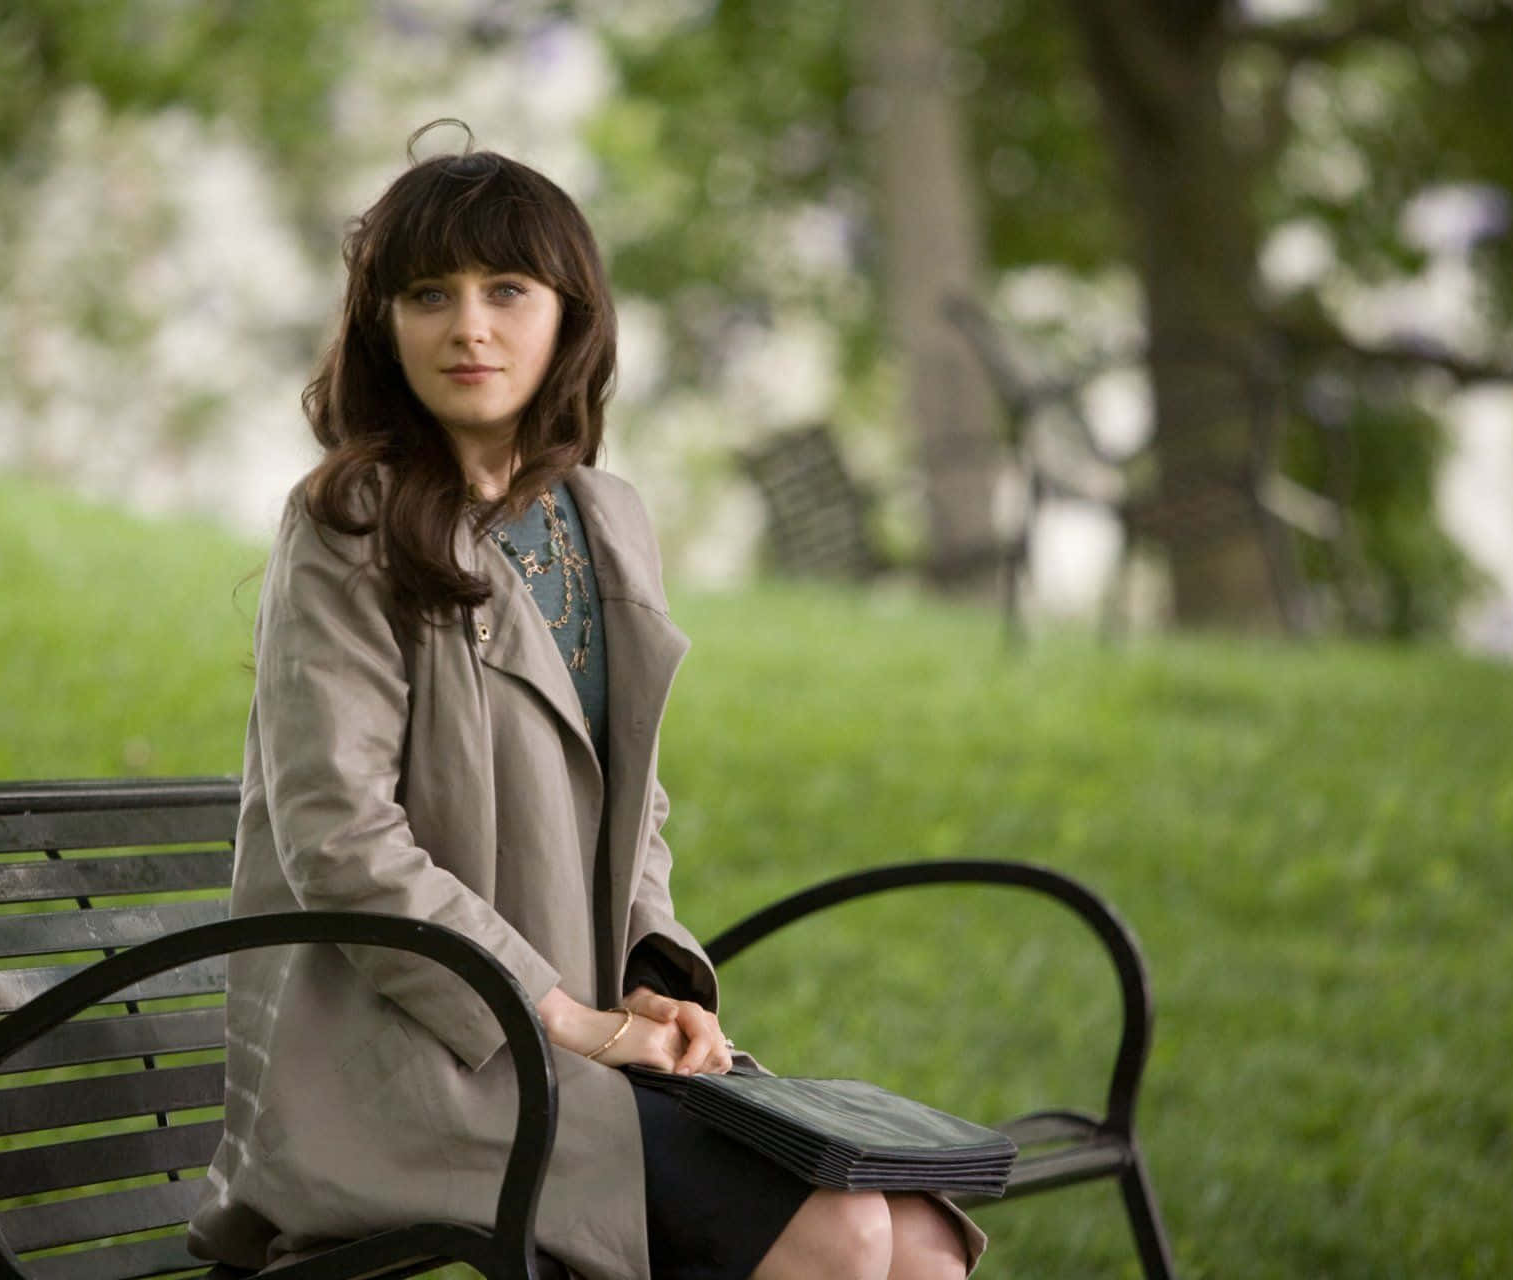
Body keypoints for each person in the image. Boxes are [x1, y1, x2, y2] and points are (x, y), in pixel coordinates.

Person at [187, 126, 986, 1280]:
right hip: (425, 1067)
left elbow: (634, 806)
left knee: (914, 1234)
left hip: (582, 1054)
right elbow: (340, 839)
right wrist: (570, 1017)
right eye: (429, 293)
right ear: (383, 324)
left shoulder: (605, 518)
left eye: (507, 289)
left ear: (570, 315)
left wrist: (656, 975)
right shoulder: (349, 525)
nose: (470, 324)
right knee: (846, 1232)